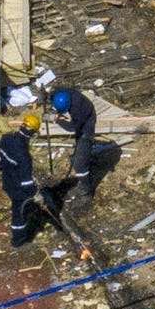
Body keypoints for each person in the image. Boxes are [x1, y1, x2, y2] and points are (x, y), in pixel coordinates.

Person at [46, 78, 118, 215]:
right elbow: (53, 97)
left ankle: (86, 190)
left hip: (86, 126)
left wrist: (57, 120)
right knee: (78, 154)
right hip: (81, 112)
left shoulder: (79, 111)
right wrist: (52, 108)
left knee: (79, 163)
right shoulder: (63, 93)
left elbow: (72, 127)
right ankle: (86, 162)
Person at [0, 110, 50, 246]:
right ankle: (18, 240)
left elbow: (0, 160)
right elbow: (26, 183)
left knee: (20, 205)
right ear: (32, 133)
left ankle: (29, 214)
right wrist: (35, 193)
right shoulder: (24, 156)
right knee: (19, 212)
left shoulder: (6, 138)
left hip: (7, 180)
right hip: (17, 188)